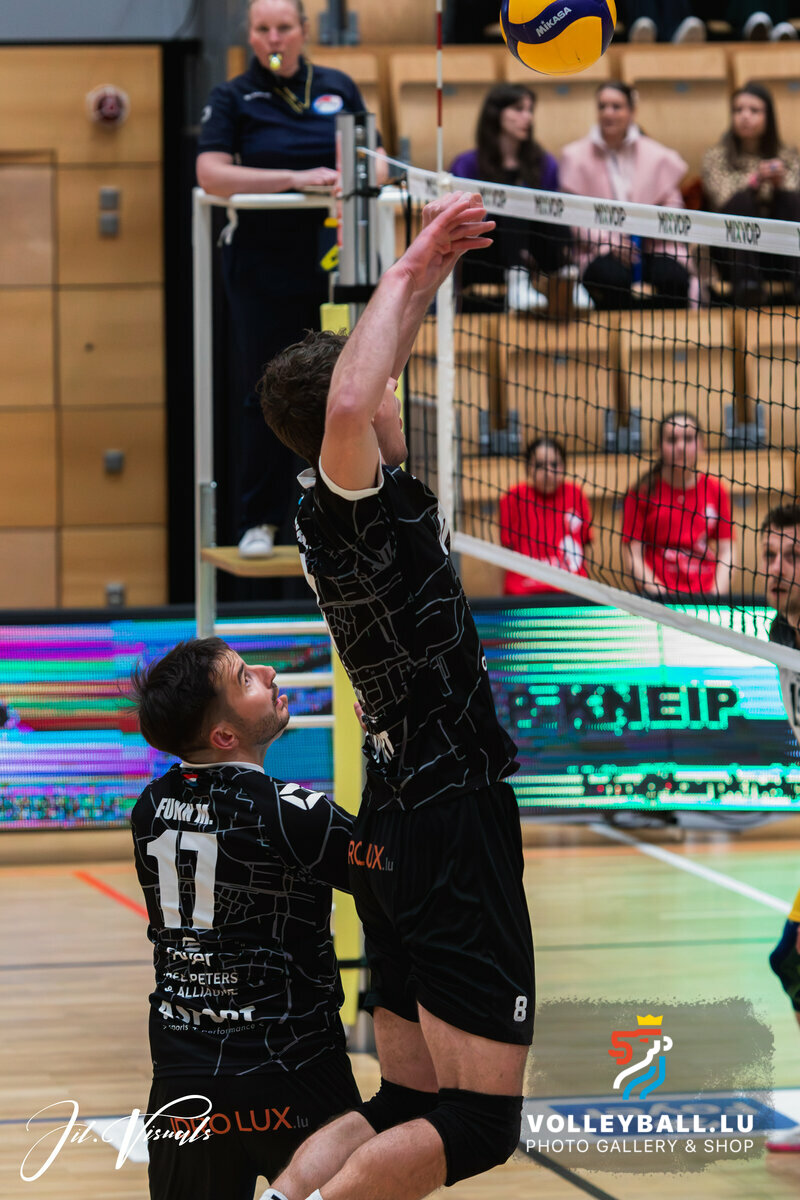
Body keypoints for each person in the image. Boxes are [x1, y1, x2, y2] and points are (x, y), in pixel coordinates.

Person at [258, 192, 535, 1200]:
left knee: (404, 1102)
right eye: (386, 384)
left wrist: (430, 282)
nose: (395, 392)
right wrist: (411, 261)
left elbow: (356, 388)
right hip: (446, 818)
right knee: (478, 1124)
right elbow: (350, 398)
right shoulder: (350, 499)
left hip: (394, 819)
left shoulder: (328, 506)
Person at [129, 637, 361, 1200]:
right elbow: (398, 869)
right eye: (245, 679)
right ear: (224, 736)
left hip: (184, 1081)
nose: (269, 671)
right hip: (296, 1072)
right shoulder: (292, 812)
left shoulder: (149, 808)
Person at [196, 0, 387, 561]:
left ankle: (347, 514)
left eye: (284, 27)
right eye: (263, 28)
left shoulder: (337, 86)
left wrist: (347, 177)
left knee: (345, 388)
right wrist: (295, 179)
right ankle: (258, 520)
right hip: (262, 263)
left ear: (304, 31)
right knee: (266, 388)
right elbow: (211, 173)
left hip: (338, 259)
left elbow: (376, 163)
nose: (274, 37)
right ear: (251, 36)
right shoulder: (233, 97)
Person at [449, 83, 586, 312]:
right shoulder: (467, 164)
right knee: (515, 203)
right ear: (496, 114)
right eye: (518, 109)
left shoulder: (543, 162)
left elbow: (552, 217)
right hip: (483, 250)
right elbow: (463, 219)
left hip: (536, 252)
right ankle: (518, 280)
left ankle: (568, 279)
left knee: (550, 207)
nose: (527, 117)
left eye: (530, 110)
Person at [559, 83, 694, 311]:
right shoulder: (575, 156)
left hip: (653, 245)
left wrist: (649, 230)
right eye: (602, 106)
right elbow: (573, 215)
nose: (608, 113)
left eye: (616, 106)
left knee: (673, 278)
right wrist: (610, 243)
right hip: (601, 248)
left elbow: (673, 206)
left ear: (632, 111)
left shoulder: (657, 155)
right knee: (611, 278)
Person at [760, 503, 800, 1151]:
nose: (776, 568)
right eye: (769, 555)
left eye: (792, 556)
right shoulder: (776, 631)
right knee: (791, 961)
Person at [702, 82, 800, 305]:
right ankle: (748, 287)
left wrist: (779, 184)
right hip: (733, 250)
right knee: (741, 201)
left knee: (792, 200)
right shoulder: (715, 156)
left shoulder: (787, 155)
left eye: (754, 111)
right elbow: (721, 198)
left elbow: (796, 196)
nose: (745, 116)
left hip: (779, 248)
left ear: (769, 117)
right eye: (738, 110)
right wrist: (755, 180)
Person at [622, 411, 734, 599]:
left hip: (705, 599)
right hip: (659, 600)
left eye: (688, 439)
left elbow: (727, 550)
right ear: (659, 446)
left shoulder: (716, 490)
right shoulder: (641, 492)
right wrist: (660, 597)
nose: (681, 447)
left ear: (701, 445)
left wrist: (715, 597)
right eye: (672, 440)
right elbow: (632, 555)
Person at [499, 437, 593, 595]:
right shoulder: (513, 497)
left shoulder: (576, 495)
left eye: (554, 465)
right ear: (528, 468)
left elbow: (585, 547)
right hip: (524, 595)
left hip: (570, 592)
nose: (548, 472)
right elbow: (505, 554)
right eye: (540, 465)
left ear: (564, 466)